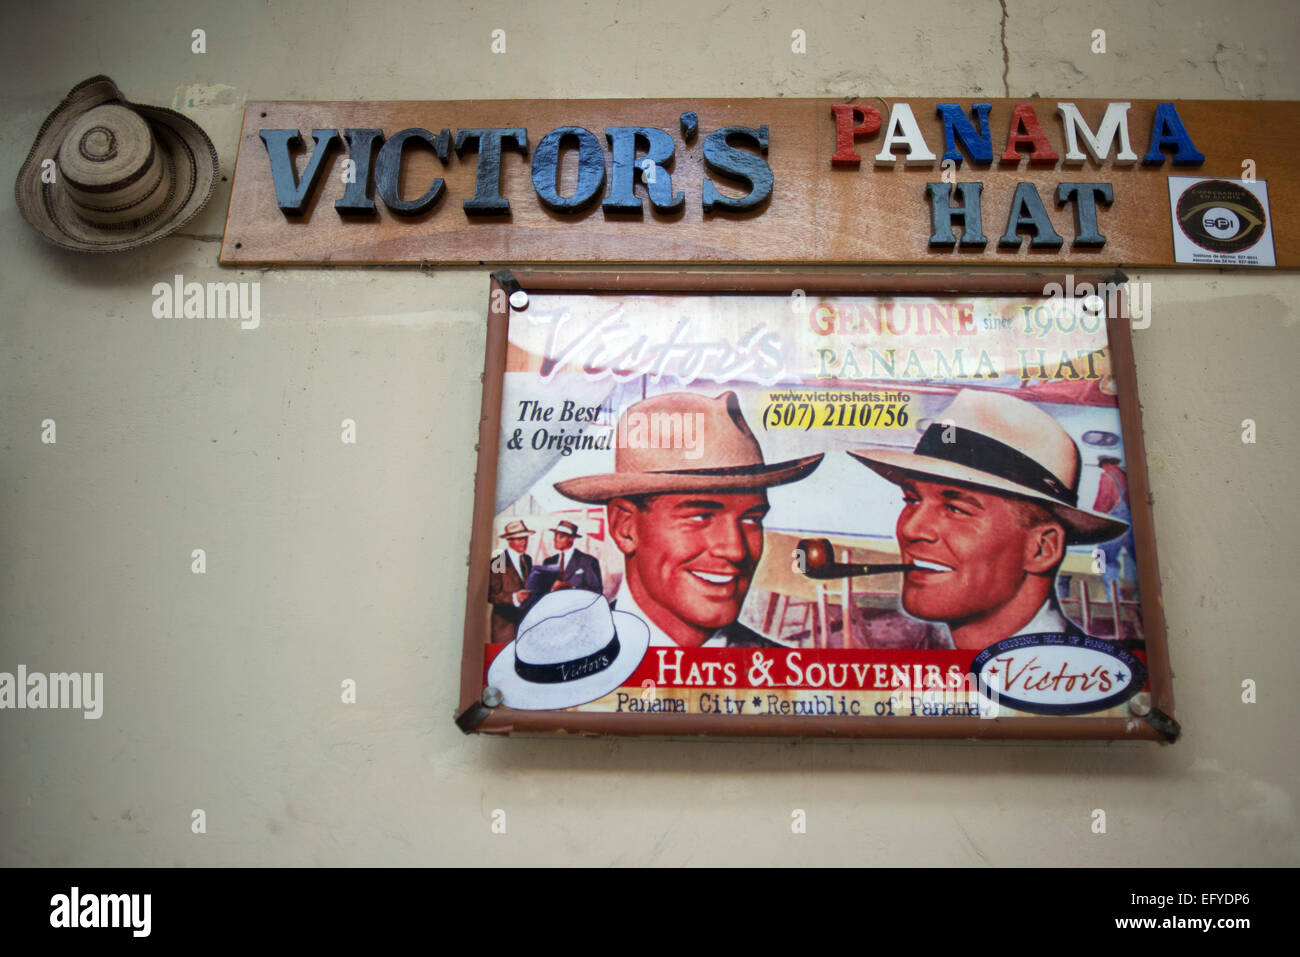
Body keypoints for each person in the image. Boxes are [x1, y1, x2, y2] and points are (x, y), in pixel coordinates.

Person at [847, 390, 1128, 651]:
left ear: (1043, 548)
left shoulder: (1077, 682)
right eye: (912, 500)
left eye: (956, 509)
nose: (911, 528)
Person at [555, 390, 823, 648]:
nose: (735, 550)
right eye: (700, 516)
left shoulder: (789, 677)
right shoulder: (561, 665)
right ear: (624, 528)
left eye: (752, 520)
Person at [487, 520, 534, 643]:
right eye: (519, 539)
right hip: (505, 628)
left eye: (525, 538)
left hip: (525, 626)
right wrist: (514, 598)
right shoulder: (498, 560)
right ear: (510, 540)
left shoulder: (527, 559)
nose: (524, 542)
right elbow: (491, 594)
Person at [535, 520, 603, 596]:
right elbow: (541, 590)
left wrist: (572, 587)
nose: (555, 539)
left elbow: (597, 591)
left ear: (571, 539)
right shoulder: (548, 562)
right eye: (555, 536)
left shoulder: (588, 561)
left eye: (561, 537)